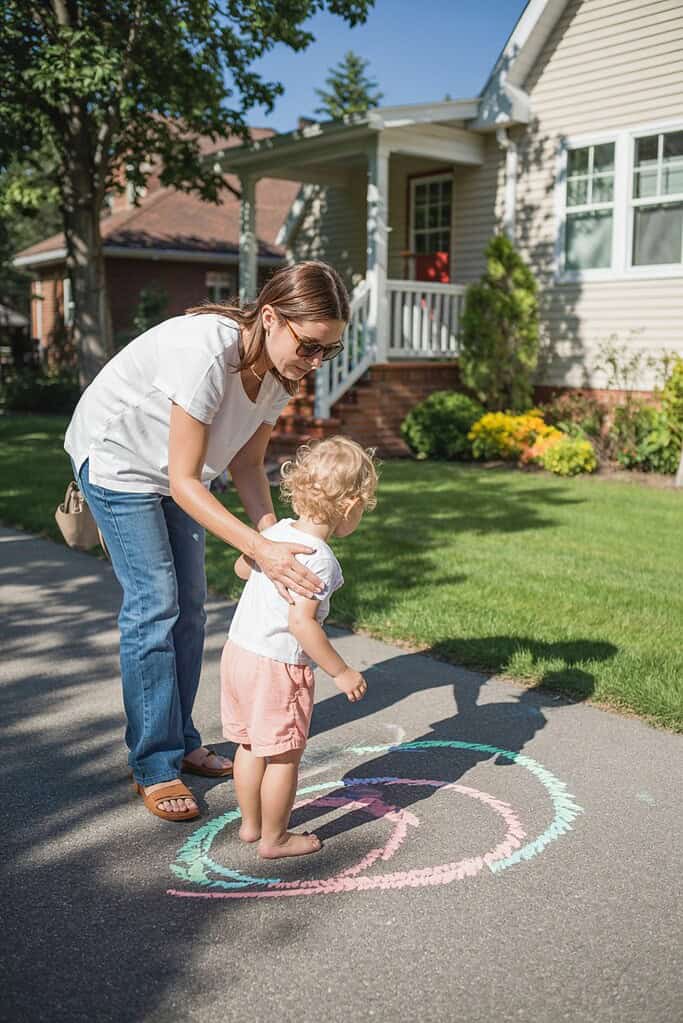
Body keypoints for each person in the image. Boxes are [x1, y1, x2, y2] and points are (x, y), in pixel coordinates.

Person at [63, 261, 350, 822]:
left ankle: (182, 738)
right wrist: (260, 550)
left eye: (329, 351)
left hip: (174, 472)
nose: (315, 363)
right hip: (119, 462)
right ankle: (154, 764)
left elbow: (248, 463)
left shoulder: (279, 375)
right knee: (155, 606)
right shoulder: (206, 353)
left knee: (190, 609)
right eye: (311, 345)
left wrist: (275, 538)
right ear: (271, 318)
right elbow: (185, 481)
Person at [221, 436, 378, 859]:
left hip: (238, 652)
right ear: (349, 507)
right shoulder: (322, 557)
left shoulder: (275, 532)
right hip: (276, 666)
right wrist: (341, 671)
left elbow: (240, 567)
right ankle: (275, 839)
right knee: (284, 757)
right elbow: (301, 624)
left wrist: (257, 559)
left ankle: (252, 825)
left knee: (250, 745)